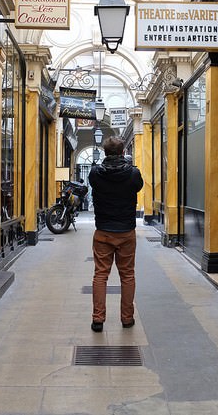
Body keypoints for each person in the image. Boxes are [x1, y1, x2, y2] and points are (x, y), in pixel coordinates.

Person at [88, 137, 144, 332]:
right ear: (122, 153)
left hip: (103, 231)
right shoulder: (133, 174)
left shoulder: (95, 173)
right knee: (127, 275)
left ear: (105, 153)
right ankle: (127, 318)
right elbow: (138, 187)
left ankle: (98, 319)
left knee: (100, 275)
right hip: (126, 231)